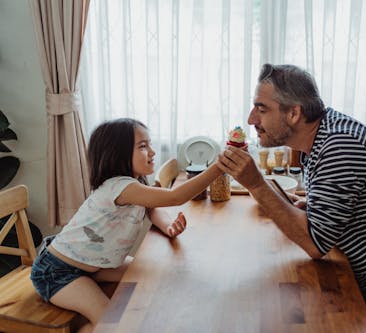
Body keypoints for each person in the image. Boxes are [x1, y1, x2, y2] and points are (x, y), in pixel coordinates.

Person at [218, 64, 366, 333]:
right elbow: (340, 210)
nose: (251, 119)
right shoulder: (320, 137)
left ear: (294, 113)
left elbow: (315, 244)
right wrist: (317, 207)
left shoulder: (341, 147)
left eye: (261, 109)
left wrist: (256, 184)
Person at [30, 118, 223, 333]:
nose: (152, 152)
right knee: (112, 324)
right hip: (58, 271)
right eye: (143, 146)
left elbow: (151, 210)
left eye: (149, 144)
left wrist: (168, 227)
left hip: (95, 265)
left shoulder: (136, 184)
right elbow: (175, 197)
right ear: (117, 153)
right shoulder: (121, 187)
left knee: (155, 278)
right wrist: (218, 167)